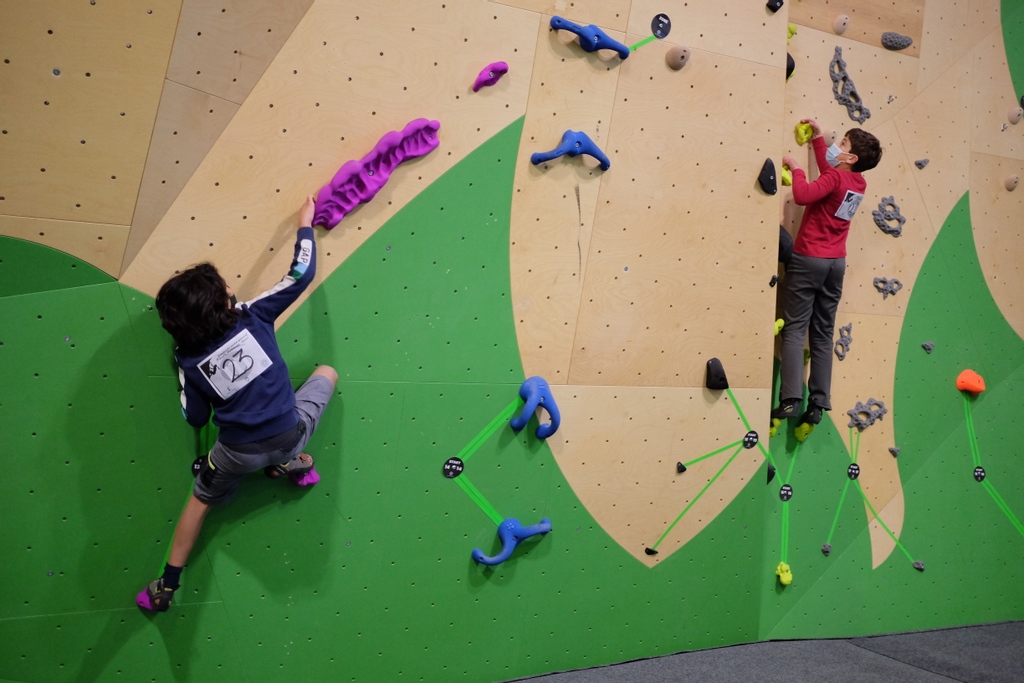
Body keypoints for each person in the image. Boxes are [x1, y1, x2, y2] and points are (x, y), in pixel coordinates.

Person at [137, 195, 338, 612]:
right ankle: (290, 464)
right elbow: (300, 276)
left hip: (236, 456)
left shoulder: (187, 358)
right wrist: (305, 224)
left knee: (200, 501)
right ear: (226, 303)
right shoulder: (255, 316)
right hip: (289, 435)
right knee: (326, 373)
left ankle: (165, 588)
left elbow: (195, 417)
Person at [773, 120, 882, 439]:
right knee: (822, 334)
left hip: (810, 260)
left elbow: (806, 194)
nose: (839, 146)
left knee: (794, 328)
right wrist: (819, 141)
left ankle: (791, 399)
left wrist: (795, 168)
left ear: (850, 158)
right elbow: (831, 175)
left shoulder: (835, 178)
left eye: (843, 144)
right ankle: (818, 404)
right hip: (836, 264)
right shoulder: (857, 183)